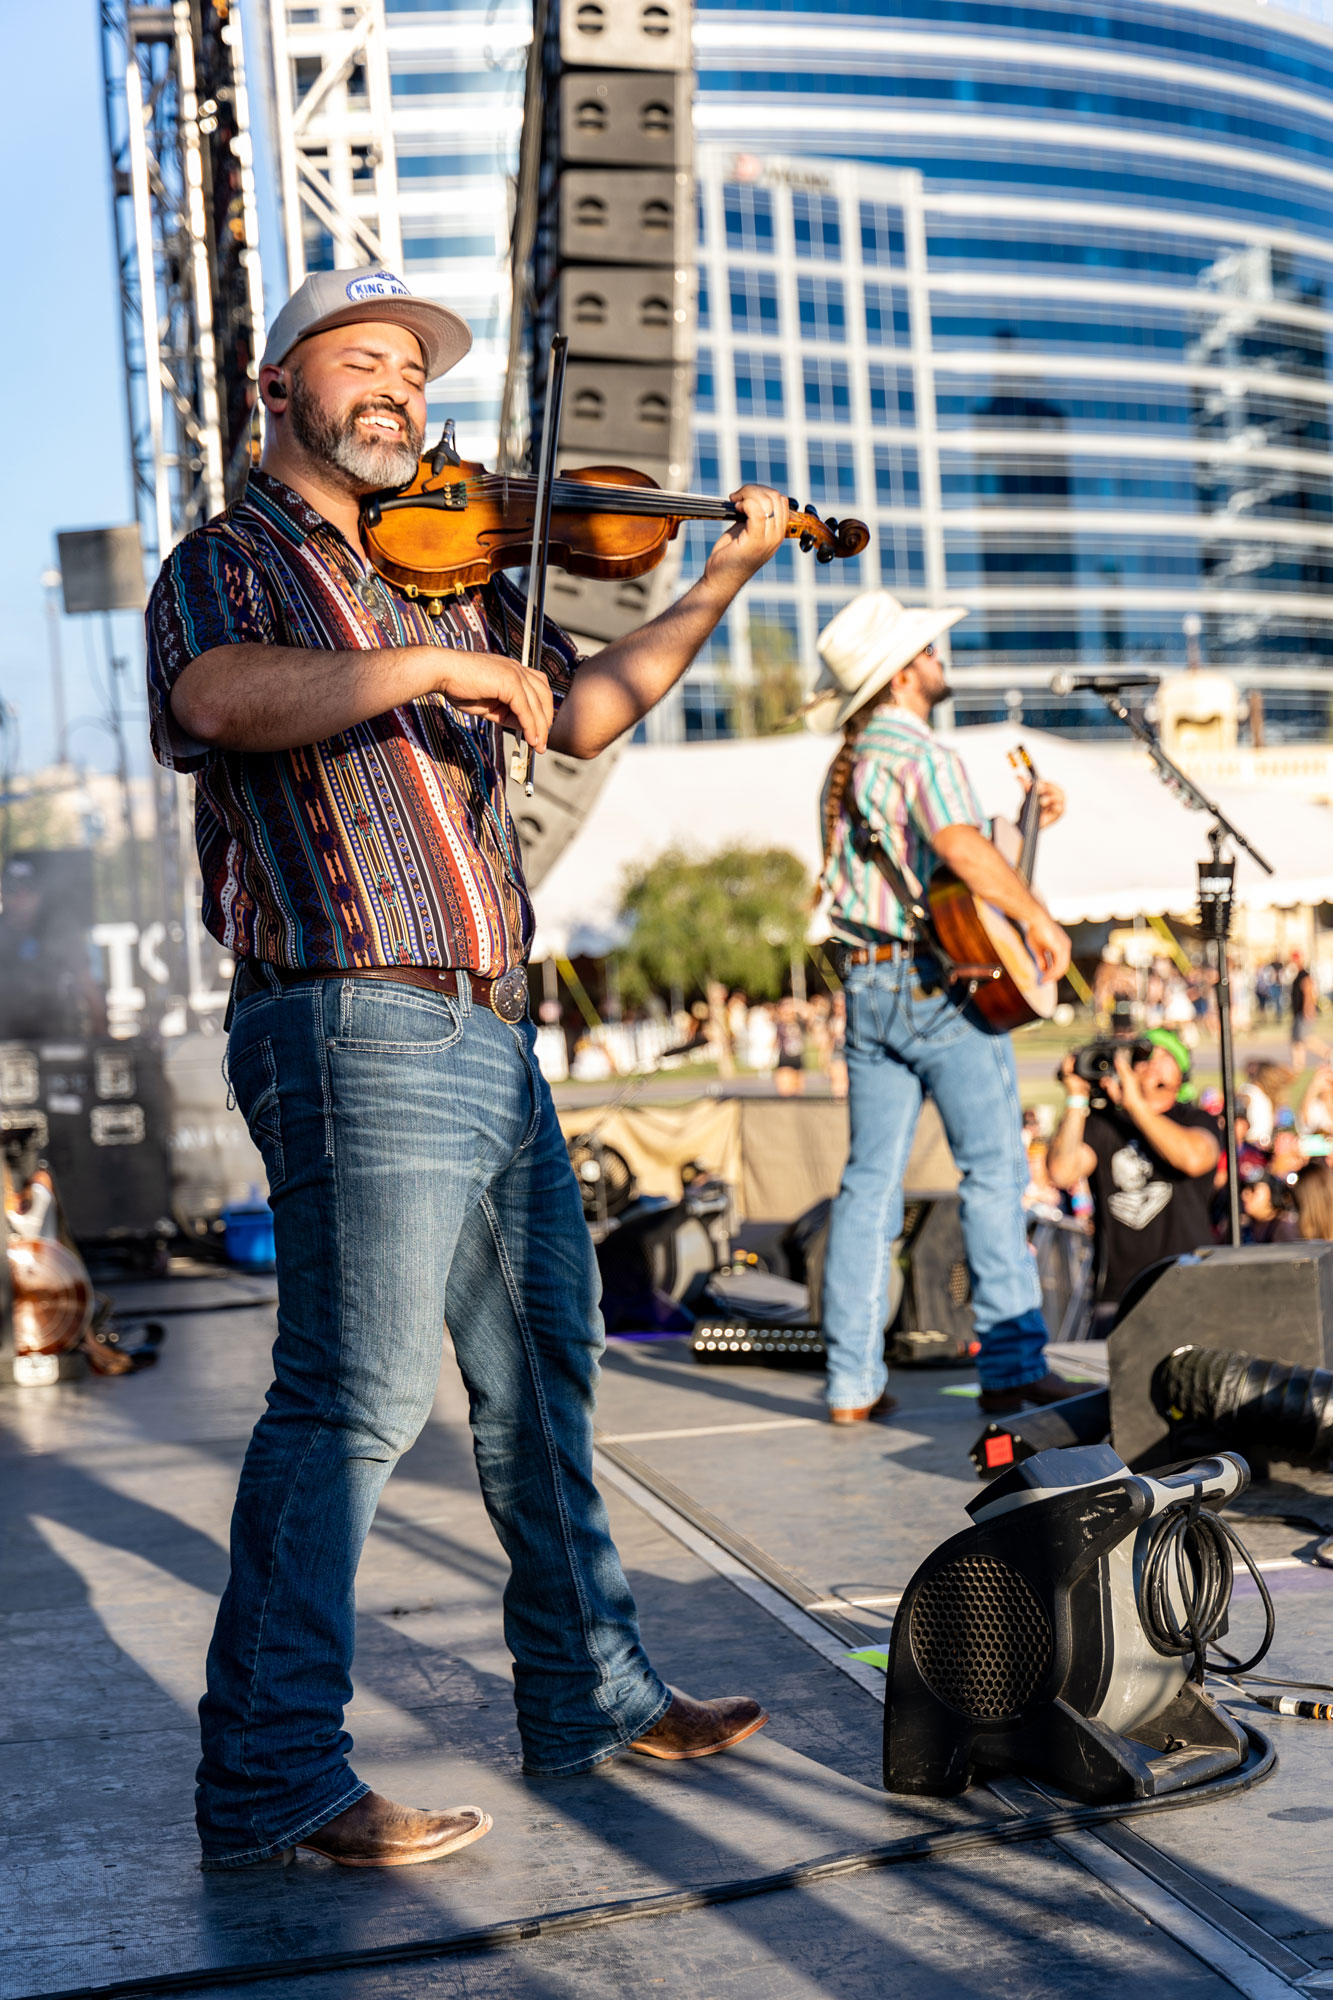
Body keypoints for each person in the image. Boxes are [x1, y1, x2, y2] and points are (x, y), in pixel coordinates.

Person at [145, 266, 791, 1872]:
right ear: (279, 385)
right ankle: (272, 1774)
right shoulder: (234, 562)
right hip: (354, 1013)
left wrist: (723, 577)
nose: (398, 392)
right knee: (352, 1401)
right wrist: (428, 674)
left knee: (540, 1380)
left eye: (415, 373)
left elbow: (584, 713)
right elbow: (217, 698)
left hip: (488, 1029)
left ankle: (587, 1689)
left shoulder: (452, 577)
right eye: (361, 361)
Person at [808, 591, 1074, 1423]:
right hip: (936, 986)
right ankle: (1010, 1366)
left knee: (868, 1185)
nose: (937, 661)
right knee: (993, 1170)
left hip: (868, 982)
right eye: (925, 652)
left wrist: (1020, 825)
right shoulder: (923, 755)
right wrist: (1036, 915)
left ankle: (851, 1382)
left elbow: (935, 862)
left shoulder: (852, 764)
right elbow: (957, 853)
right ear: (901, 674)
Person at [1047, 1027, 1220, 1329]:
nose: (1152, 1062)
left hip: (1187, 1280)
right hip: (1118, 1292)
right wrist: (1076, 1099)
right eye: (1143, 1057)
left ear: (1181, 1075)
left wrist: (1135, 1104)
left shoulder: (1195, 1119)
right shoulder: (1105, 1123)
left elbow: (1193, 1158)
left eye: (1166, 1056)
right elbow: (1062, 1171)